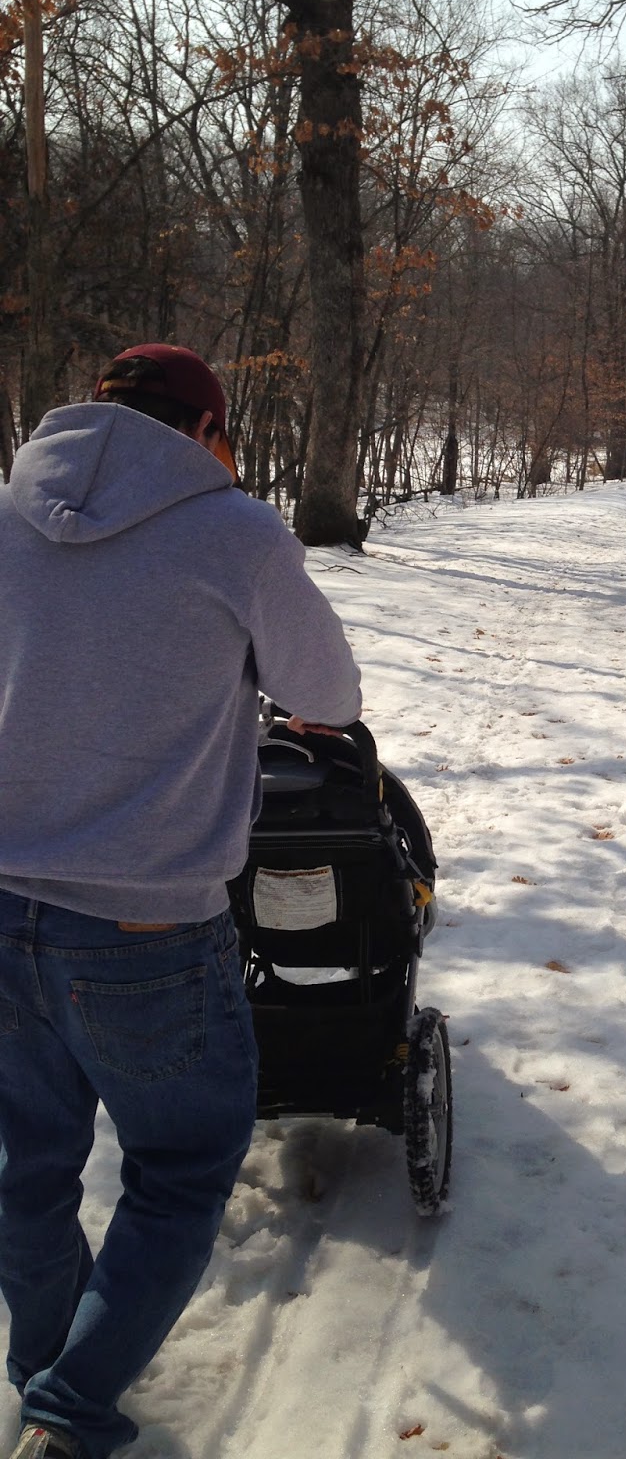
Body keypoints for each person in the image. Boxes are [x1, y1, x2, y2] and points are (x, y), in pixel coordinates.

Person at [0, 344, 362, 1459]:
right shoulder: (234, 532)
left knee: (31, 1167)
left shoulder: (4, 515)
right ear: (205, 433)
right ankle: (68, 1408)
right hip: (145, 919)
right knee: (181, 1170)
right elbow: (328, 692)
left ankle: (45, 1363)